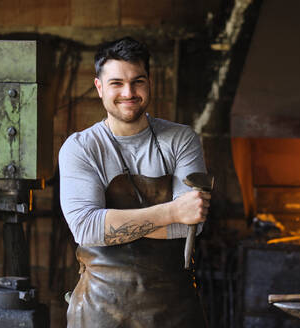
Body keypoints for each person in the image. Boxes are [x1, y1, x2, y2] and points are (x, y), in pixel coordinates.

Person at [59, 36, 210, 327]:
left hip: (174, 310)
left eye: (138, 81)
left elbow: (192, 225)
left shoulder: (181, 140)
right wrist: (172, 211)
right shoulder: (81, 147)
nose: (128, 92)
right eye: (116, 83)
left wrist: (110, 223)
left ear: (149, 83)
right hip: (99, 310)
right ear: (99, 87)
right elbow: (87, 229)